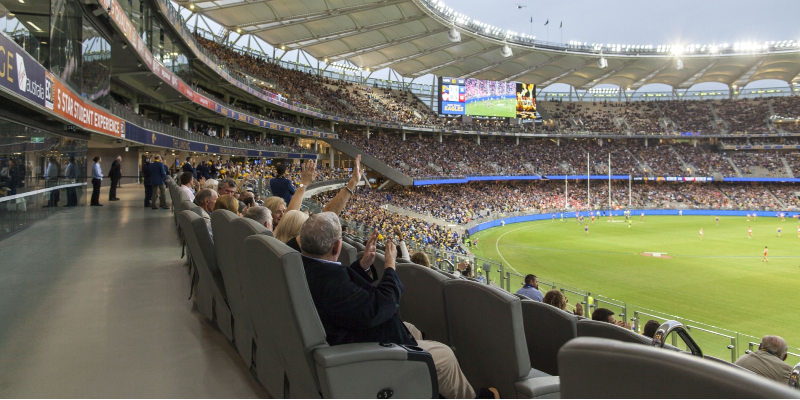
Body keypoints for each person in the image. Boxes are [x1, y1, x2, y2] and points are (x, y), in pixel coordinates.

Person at [298, 213, 489, 399]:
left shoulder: (305, 267)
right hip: (363, 351)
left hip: (352, 333)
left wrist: (363, 265)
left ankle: (428, 384)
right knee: (445, 356)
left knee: (412, 329)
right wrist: (390, 266)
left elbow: (345, 291)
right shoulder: (328, 281)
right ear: (337, 246)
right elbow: (381, 307)